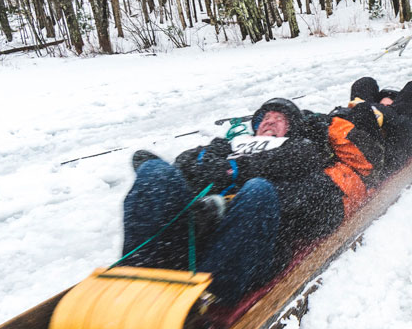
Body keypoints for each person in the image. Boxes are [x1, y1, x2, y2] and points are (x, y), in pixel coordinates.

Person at [121, 98, 333, 303]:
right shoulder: (228, 146)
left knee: (258, 189)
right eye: (266, 117)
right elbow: (186, 160)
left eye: (279, 118)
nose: (270, 120)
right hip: (195, 233)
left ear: (290, 128)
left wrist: (231, 179)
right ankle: (137, 276)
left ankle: (204, 297)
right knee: (153, 171)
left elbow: (312, 199)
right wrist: (205, 172)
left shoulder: (299, 151)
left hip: (240, 251)